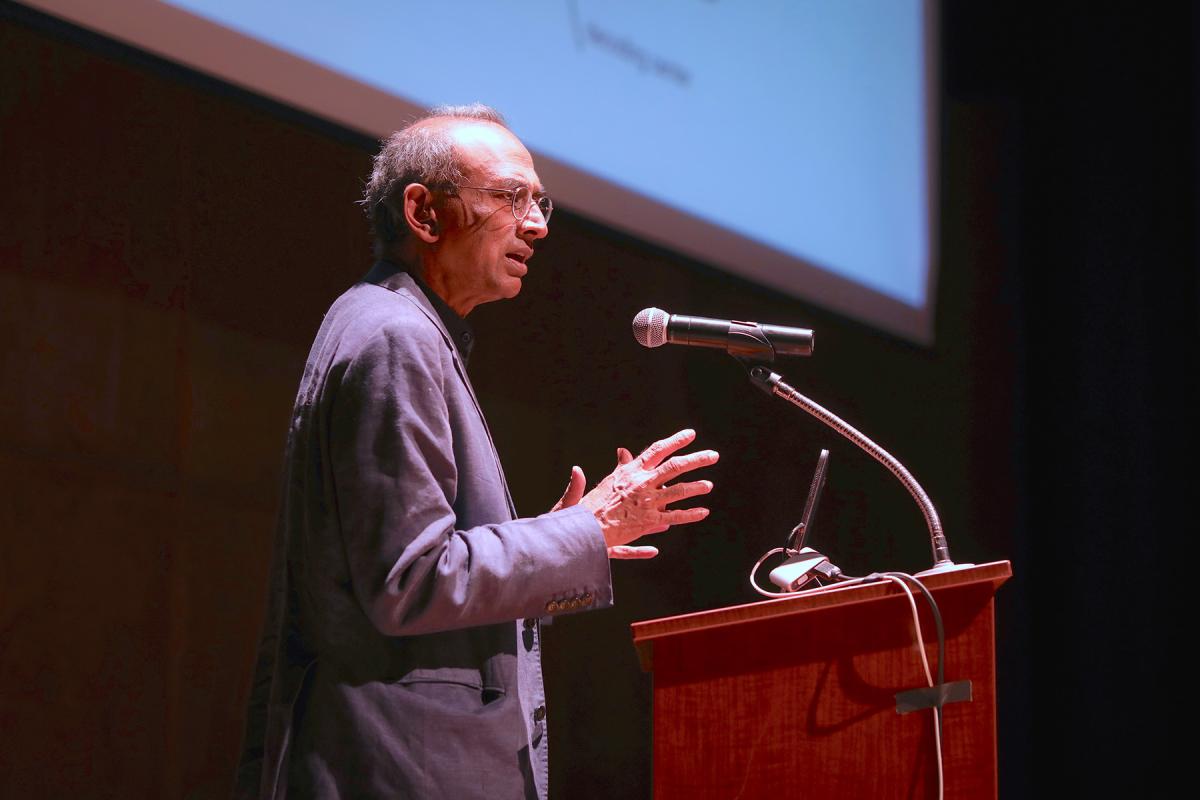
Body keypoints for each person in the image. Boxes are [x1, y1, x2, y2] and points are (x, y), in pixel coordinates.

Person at [234, 104, 718, 800]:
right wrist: (586, 529)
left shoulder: (396, 325)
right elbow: (409, 579)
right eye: (509, 196)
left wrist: (556, 539)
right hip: (399, 767)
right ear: (424, 213)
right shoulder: (394, 337)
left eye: (541, 201)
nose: (538, 223)